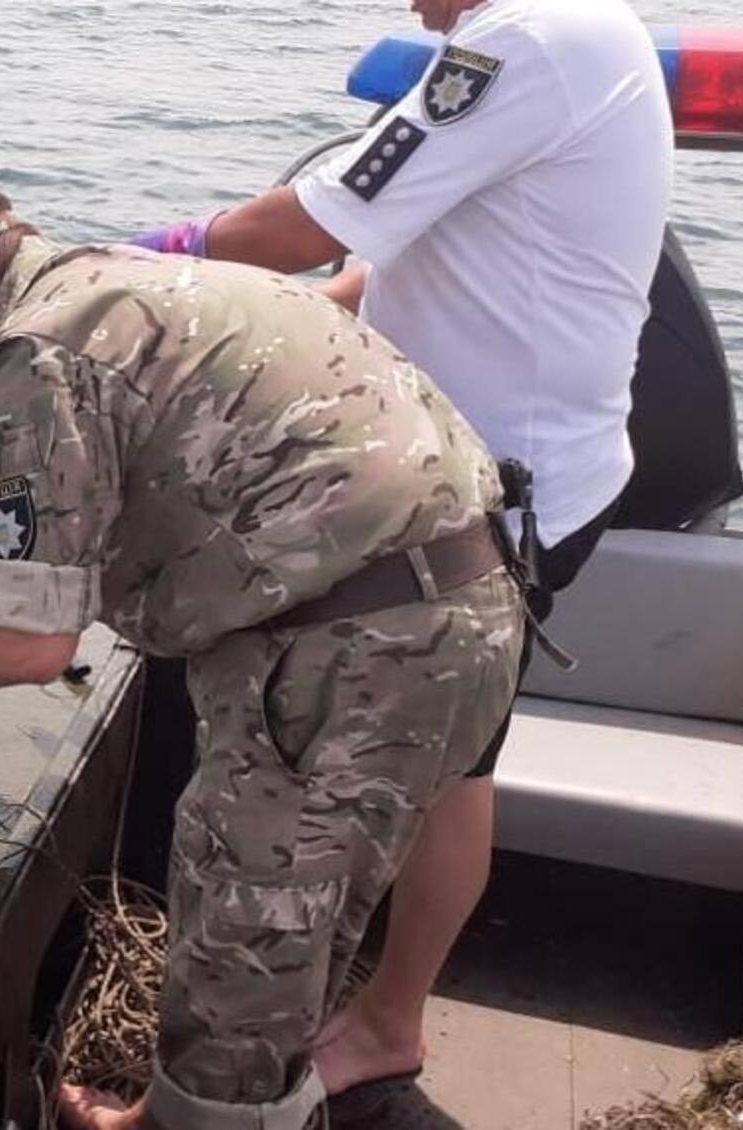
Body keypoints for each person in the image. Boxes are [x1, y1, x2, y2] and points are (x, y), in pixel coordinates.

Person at [0, 176, 525, 1130]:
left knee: (247, 932)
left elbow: (28, 647)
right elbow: (206, 508)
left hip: (353, 651)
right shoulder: (135, 282)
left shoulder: (25, 358)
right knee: (295, 912)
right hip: (469, 601)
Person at [132, 0, 670, 1110]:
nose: (411, 8)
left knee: (345, 783)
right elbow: (411, 253)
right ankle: (387, 1018)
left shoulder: (524, 41)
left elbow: (321, 222)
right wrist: (306, 328)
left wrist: (153, 257)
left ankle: (347, 1034)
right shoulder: (580, 26)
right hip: (524, 472)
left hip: (492, 498)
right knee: (458, 772)